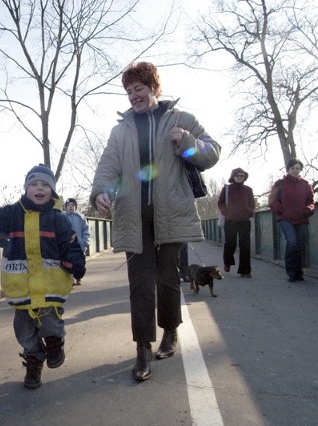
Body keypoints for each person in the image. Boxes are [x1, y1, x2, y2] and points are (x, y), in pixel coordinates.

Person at [89, 61, 220, 382]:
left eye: (139, 88)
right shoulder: (121, 130)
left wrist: (188, 142)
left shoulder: (181, 119)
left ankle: (171, 332)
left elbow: (212, 152)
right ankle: (143, 348)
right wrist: (101, 192)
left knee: (167, 278)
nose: (134, 95)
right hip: (133, 216)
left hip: (171, 213)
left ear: (154, 88)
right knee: (140, 285)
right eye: (129, 91)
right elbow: (108, 166)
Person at [0, 164, 86, 389]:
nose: (39, 188)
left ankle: (55, 342)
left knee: (50, 322)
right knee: (23, 330)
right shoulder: (12, 213)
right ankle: (33, 361)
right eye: (34, 184)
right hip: (21, 288)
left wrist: (76, 263)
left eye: (45, 185)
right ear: (26, 189)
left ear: (52, 191)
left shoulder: (58, 218)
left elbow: (71, 244)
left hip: (50, 288)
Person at [268, 159, 315, 282]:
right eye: (292, 168)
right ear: (288, 169)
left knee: (298, 245)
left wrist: (308, 210)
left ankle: (298, 272)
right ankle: (291, 272)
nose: (295, 170)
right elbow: (272, 200)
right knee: (292, 242)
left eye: (297, 168)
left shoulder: (306, 185)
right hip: (285, 218)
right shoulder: (280, 183)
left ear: (300, 170)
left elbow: (311, 201)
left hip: (301, 219)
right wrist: (280, 210)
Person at [218, 168, 256, 278]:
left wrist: (251, 212)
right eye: (237, 176)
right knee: (230, 243)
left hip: (244, 220)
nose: (240, 177)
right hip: (230, 220)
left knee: (245, 245)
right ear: (233, 177)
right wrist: (227, 212)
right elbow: (220, 202)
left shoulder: (248, 189)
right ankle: (228, 262)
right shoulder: (227, 189)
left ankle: (245, 271)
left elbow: (252, 203)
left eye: (242, 176)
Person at [63, 197, 90, 285]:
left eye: (72, 205)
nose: (70, 207)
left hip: (79, 244)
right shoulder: (62, 217)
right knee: (68, 262)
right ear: (66, 207)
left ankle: (78, 278)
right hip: (68, 244)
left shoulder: (81, 218)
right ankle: (70, 279)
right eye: (68, 205)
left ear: (75, 207)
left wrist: (85, 242)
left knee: (80, 262)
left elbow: (86, 230)